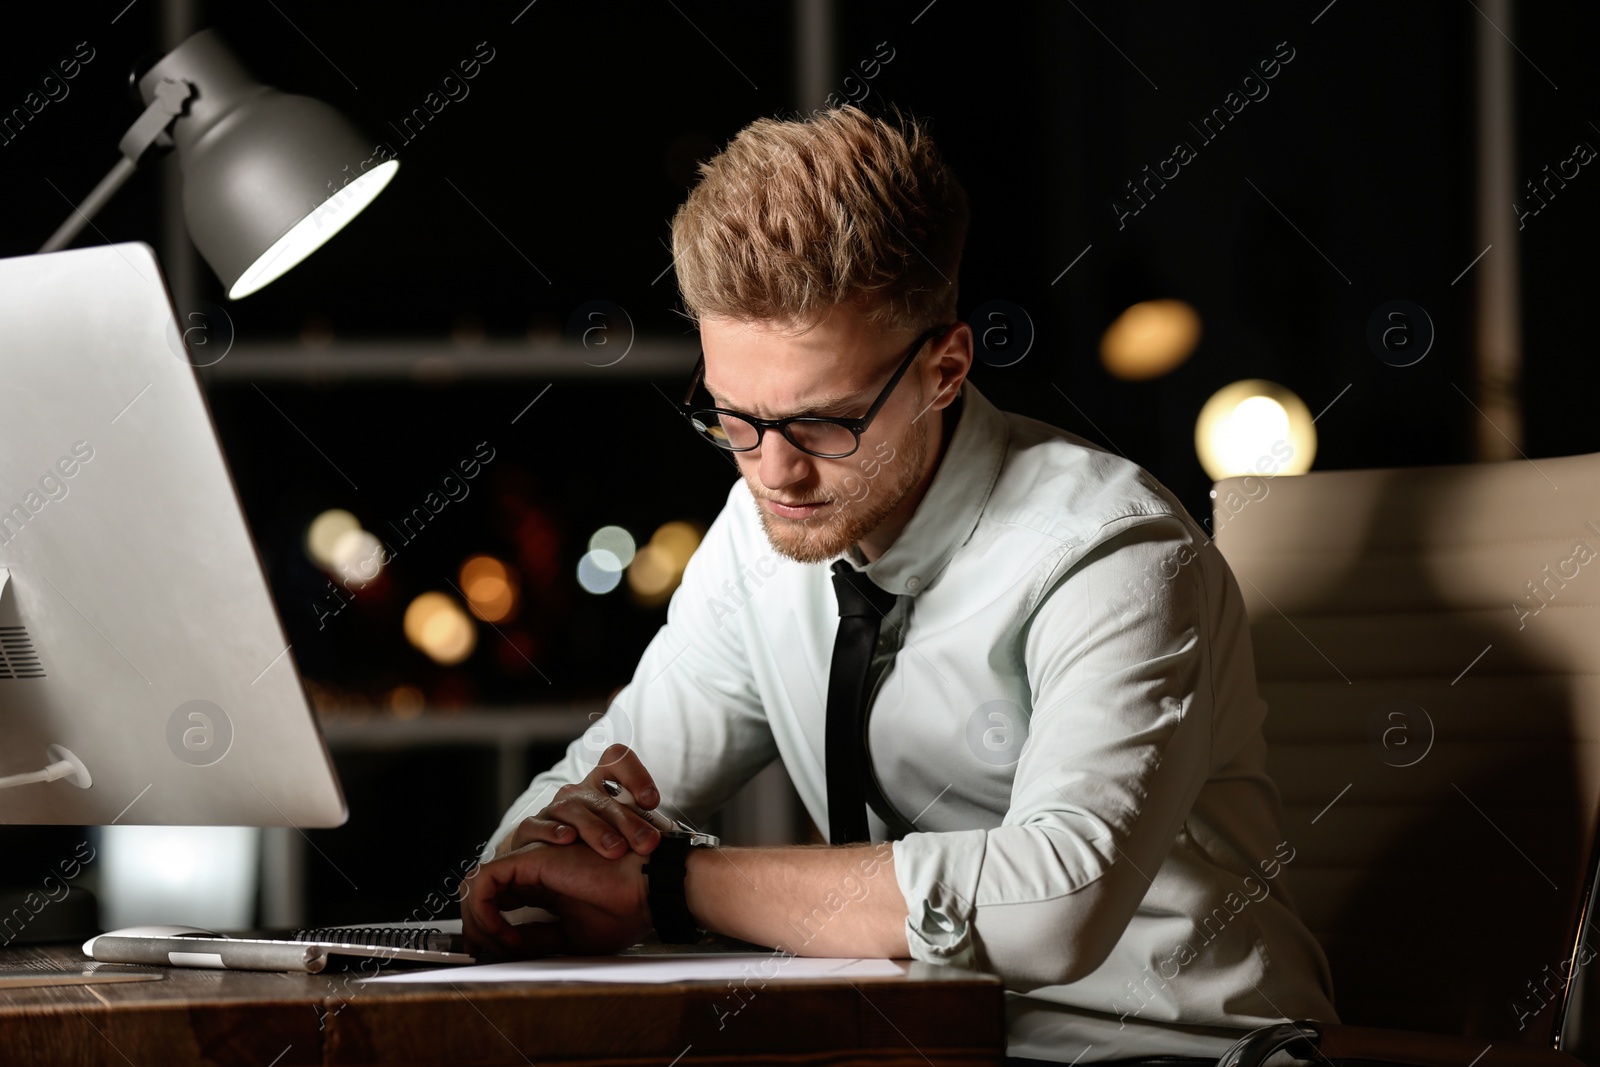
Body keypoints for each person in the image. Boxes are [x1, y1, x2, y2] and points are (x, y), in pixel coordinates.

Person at [459, 103, 1337, 1065]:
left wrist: (672, 882)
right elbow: (578, 793)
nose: (773, 472)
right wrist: (546, 851)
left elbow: (1057, 906)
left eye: (826, 422)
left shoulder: (1114, 553)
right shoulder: (760, 534)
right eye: (732, 418)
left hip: (1167, 1050)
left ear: (946, 368)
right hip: (897, 1046)